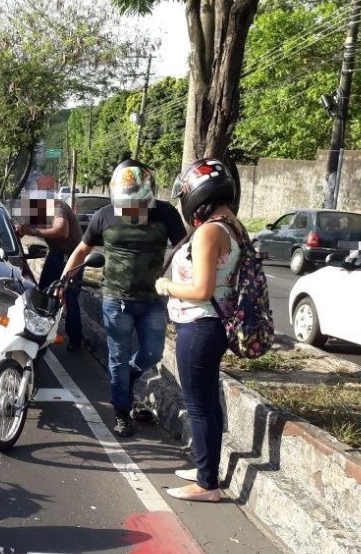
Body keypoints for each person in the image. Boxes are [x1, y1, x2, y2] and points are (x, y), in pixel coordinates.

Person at [61, 159, 187, 437]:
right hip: (115, 300)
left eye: (139, 206)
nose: (133, 212)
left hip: (153, 300)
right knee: (118, 357)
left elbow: (186, 249)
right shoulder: (104, 216)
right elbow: (82, 250)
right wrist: (64, 278)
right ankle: (121, 412)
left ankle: (126, 380)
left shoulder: (165, 214)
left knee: (153, 353)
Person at [155, 158, 243, 503]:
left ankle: (207, 484)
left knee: (199, 406)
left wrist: (166, 286)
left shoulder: (209, 232)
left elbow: (201, 289)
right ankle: (207, 468)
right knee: (208, 402)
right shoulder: (230, 225)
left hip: (200, 323)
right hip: (213, 325)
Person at [16, 192, 85, 351]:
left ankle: (75, 340)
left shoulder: (57, 207)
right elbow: (22, 230)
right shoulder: (41, 213)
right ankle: (39, 332)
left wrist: (32, 231)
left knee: (69, 296)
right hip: (57, 254)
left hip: (70, 256)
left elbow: (62, 232)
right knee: (43, 293)